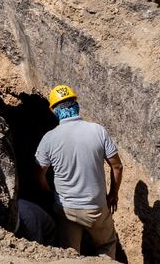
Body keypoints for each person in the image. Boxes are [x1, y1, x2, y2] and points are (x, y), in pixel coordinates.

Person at [35, 84, 123, 259]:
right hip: (96, 207)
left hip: (66, 210)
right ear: (76, 104)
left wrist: (48, 193)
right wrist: (113, 193)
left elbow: (39, 173)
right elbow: (117, 166)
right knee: (106, 244)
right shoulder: (98, 131)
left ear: (54, 111)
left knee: (70, 255)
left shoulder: (49, 138)